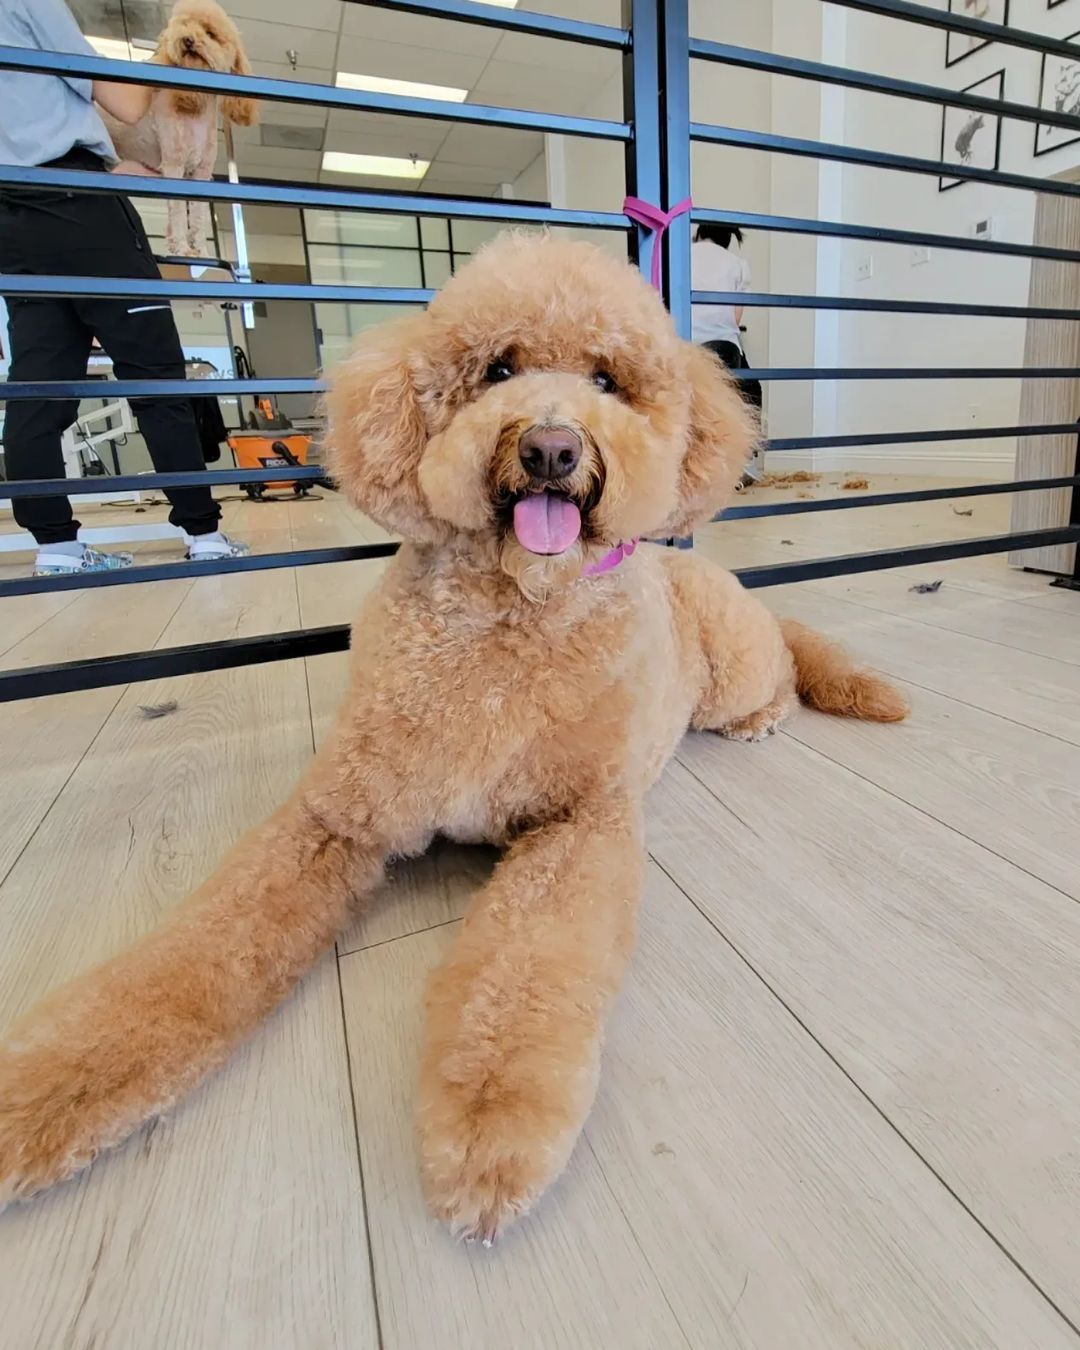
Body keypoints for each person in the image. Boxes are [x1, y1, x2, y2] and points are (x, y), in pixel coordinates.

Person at [0, 0, 247, 576]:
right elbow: (130, 104)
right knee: (157, 376)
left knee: (36, 388)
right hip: (81, 208)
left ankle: (57, 549)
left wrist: (105, 168)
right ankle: (203, 535)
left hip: (11, 219)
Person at [690, 223, 763, 415]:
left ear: (699, 234)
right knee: (753, 392)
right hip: (724, 349)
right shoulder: (738, 264)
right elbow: (735, 319)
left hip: (685, 346)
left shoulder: (680, 255)